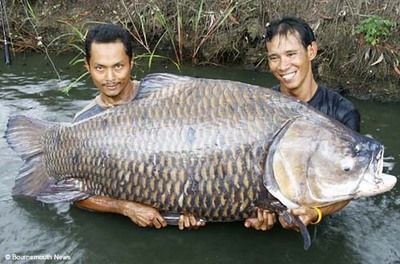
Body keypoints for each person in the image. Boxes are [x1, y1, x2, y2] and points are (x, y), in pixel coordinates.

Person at [73, 23, 204, 230]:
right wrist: (126, 208)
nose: (110, 78)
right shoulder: (82, 123)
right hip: (118, 233)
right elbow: (75, 196)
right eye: (100, 68)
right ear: (87, 66)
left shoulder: (164, 98)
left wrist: (196, 205)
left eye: (118, 66)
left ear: (131, 63)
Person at [244, 16, 360, 231]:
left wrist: (316, 213)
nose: (283, 66)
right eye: (274, 58)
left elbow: (350, 181)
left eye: (291, 54)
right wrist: (257, 210)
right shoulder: (260, 108)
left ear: (311, 51)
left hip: (321, 223)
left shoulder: (342, 112)